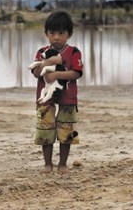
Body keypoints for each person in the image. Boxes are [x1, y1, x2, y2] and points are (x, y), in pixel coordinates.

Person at [30, 10, 83, 174]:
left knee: (66, 130)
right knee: (45, 129)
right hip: (46, 98)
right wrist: (49, 61)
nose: (57, 38)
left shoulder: (73, 52)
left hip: (68, 97)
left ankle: (62, 164)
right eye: (52, 33)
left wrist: (57, 74)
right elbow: (37, 73)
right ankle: (47, 164)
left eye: (61, 33)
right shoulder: (42, 52)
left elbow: (76, 73)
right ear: (46, 34)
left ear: (69, 34)